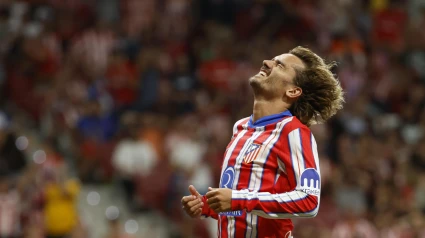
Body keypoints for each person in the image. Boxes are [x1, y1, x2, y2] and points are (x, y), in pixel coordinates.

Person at [181, 46, 344, 237]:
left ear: (292, 91)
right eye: (272, 60)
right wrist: (208, 206)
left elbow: (309, 201)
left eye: (280, 66)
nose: (266, 63)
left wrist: (237, 199)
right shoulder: (240, 128)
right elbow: (242, 208)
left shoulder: (293, 131)